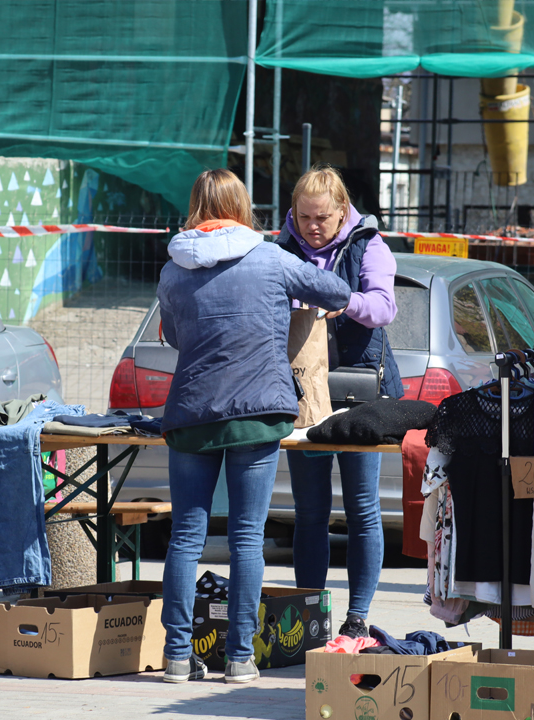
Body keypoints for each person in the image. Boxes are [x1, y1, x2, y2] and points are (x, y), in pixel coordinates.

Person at [156, 168, 351, 684]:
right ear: (242, 207)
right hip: (258, 412)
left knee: (185, 537)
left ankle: (176, 656)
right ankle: (240, 658)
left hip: (192, 413)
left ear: (196, 206)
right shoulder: (270, 258)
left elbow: (173, 335)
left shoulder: (173, 269)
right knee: (247, 537)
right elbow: (336, 291)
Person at [274, 166, 403, 640]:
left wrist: (345, 302)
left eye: (322, 218)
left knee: (362, 510)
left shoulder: (369, 244)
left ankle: (357, 616)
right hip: (303, 396)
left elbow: (384, 307)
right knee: (309, 513)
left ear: (342, 211)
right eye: (303, 216)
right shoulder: (280, 248)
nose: (312, 226)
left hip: (358, 396)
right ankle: (310, 615)